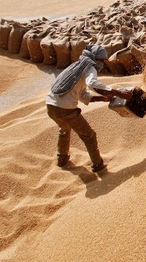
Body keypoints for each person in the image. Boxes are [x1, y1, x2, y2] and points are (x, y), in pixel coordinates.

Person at [45, 44, 134, 172]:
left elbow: (81, 95)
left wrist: (102, 99)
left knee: (64, 129)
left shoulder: (76, 67)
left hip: (51, 106)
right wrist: (118, 93)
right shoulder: (89, 66)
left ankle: (62, 158)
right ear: (95, 58)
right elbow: (92, 83)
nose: (102, 64)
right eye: (102, 60)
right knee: (89, 136)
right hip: (66, 109)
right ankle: (98, 165)